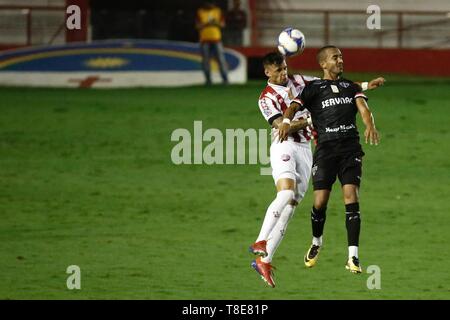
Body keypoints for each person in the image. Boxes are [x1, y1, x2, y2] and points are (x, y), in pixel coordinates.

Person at [249, 51, 384, 287]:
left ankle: (265, 260)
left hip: (305, 148)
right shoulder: (265, 98)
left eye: (285, 68)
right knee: (286, 194)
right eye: (278, 71)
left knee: (291, 208)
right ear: (267, 73)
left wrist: (365, 85)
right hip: (284, 145)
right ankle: (260, 241)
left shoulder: (300, 81)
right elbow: (283, 127)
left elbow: (333, 83)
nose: (284, 74)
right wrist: (315, 120)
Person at [195, 1, 229, 85]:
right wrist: (206, 24)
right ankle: (208, 80)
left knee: (221, 59)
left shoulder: (218, 11)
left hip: (216, 39)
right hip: (204, 40)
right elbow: (197, 26)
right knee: (206, 60)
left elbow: (223, 25)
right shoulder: (200, 12)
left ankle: (225, 79)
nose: (210, 5)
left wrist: (215, 23)